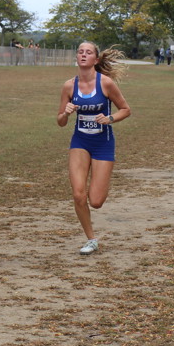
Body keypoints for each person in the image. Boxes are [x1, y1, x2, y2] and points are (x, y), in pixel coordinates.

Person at [57, 42, 132, 255]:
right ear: (76, 57)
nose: (83, 55)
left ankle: (101, 181)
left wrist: (110, 118)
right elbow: (60, 121)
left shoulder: (105, 83)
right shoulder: (69, 86)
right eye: (80, 52)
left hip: (103, 143)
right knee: (78, 194)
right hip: (80, 142)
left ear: (95, 60)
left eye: (88, 52)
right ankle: (91, 239)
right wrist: (66, 113)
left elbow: (126, 109)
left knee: (96, 201)